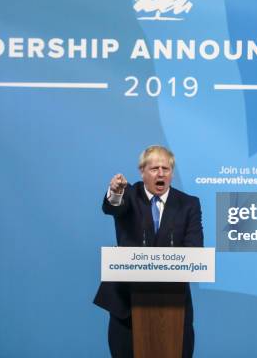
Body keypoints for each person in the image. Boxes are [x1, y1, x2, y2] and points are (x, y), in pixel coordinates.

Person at [94, 145, 204, 358]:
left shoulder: (188, 204)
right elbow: (113, 207)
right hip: (126, 303)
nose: (161, 173)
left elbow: (194, 250)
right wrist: (115, 192)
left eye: (166, 168)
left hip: (174, 304)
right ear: (142, 172)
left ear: (172, 173)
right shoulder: (128, 194)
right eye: (154, 169)